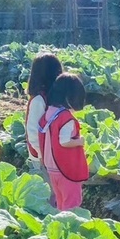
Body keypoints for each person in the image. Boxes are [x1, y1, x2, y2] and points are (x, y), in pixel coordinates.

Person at [38, 73, 88, 211]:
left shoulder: (50, 112)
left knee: (60, 203)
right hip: (66, 170)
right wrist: (80, 141)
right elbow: (64, 141)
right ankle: (70, 230)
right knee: (72, 206)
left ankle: (59, 229)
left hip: (52, 168)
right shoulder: (66, 118)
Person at [25, 52, 63, 206]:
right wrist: (42, 155)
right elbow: (33, 132)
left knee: (56, 196)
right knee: (49, 198)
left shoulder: (51, 98)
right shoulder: (39, 101)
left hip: (51, 158)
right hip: (42, 160)